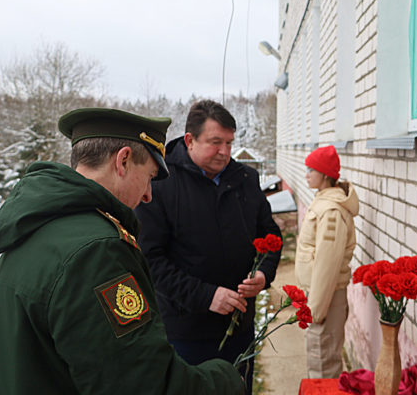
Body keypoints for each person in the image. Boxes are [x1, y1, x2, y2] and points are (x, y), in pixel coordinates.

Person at [0, 108, 243, 394]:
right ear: (123, 161)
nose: (148, 195)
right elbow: (145, 385)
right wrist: (226, 380)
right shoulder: (96, 251)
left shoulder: (36, 224)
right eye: (150, 177)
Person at [135, 99, 282, 392]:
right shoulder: (159, 183)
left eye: (229, 142)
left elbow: (271, 238)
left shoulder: (245, 179)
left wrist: (264, 274)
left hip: (240, 326)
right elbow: (150, 260)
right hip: (186, 333)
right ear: (189, 139)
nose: (225, 152)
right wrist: (206, 296)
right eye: (215, 142)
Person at [295, 145, 359, 378]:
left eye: (311, 169)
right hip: (319, 296)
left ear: (324, 175)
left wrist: (316, 310)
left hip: (325, 299)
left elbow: (327, 265)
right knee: (318, 356)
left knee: (323, 361)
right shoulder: (323, 202)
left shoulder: (331, 211)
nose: (306, 174)